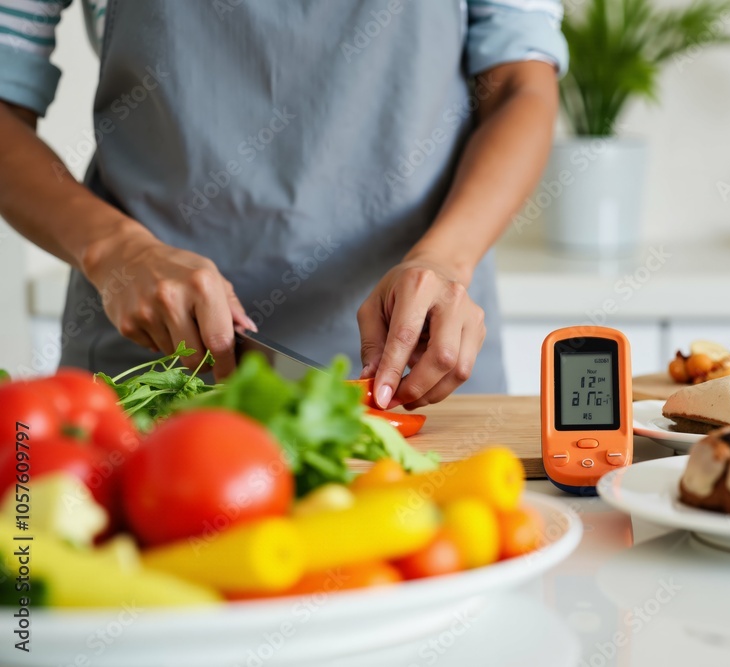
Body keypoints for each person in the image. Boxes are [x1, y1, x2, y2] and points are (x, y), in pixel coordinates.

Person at [0, 0, 566, 409]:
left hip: (417, 364)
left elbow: (522, 84)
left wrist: (446, 259)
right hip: (153, 362)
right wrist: (114, 250)